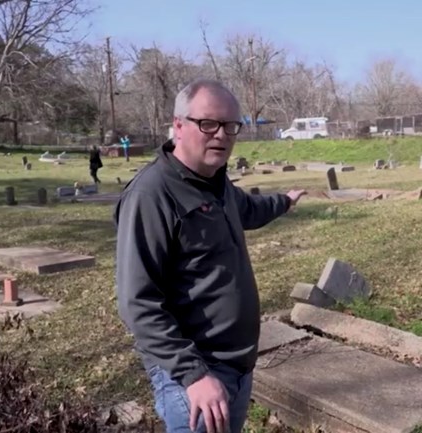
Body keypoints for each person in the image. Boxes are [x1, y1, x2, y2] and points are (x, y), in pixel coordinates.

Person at [113, 78, 306, 433]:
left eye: (231, 126)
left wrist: (285, 201)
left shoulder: (217, 184)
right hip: (195, 376)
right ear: (178, 126)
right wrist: (194, 375)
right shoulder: (152, 195)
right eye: (208, 124)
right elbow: (136, 301)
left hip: (236, 364)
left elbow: (249, 209)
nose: (221, 134)